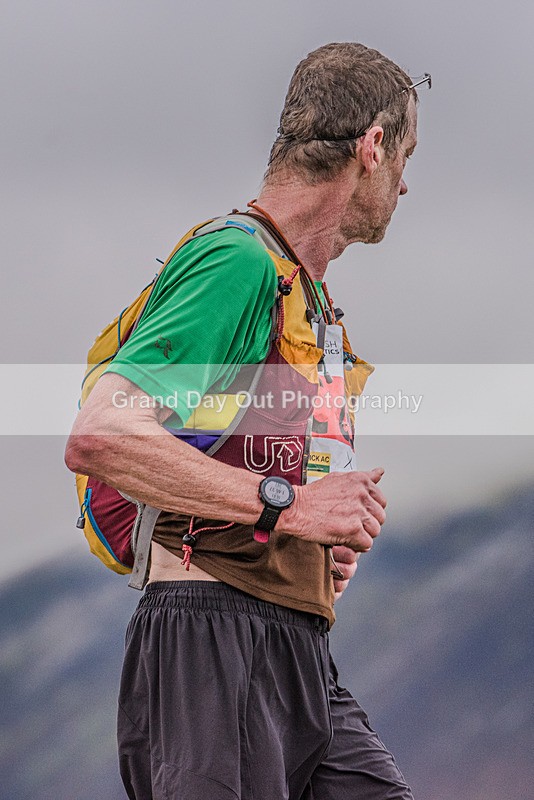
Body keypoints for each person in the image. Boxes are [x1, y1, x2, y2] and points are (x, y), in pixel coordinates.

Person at [66, 42, 425, 800]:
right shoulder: (236, 263)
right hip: (208, 639)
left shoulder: (309, 298)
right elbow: (102, 433)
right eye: (406, 157)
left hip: (295, 646)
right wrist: (292, 507)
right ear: (373, 146)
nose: (406, 184)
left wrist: (314, 545)